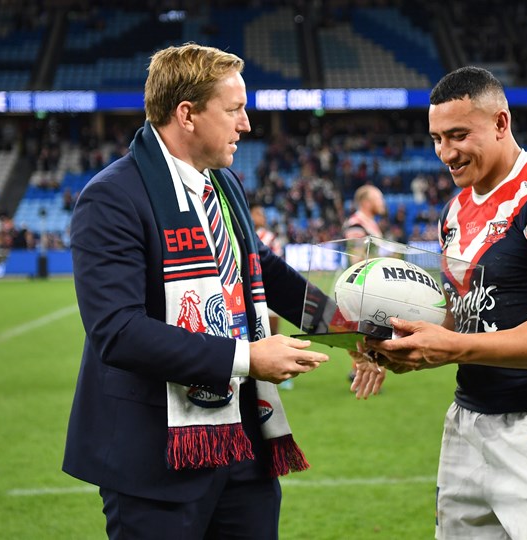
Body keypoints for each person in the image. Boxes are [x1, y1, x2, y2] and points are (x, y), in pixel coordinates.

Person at [63, 44, 332, 540]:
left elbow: (263, 268)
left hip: (242, 446)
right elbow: (118, 333)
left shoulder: (223, 183)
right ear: (186, 114)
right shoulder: (111, 198)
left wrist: (344, 326)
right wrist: (248, 358)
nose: (246, 124)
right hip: (155, 459)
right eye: (233, 110)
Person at [365, 66, 527, 539]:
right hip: (469, 421)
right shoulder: (455, 209)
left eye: (458, 135)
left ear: (501, 123)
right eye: (437, 138)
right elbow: (469, 318)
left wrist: (454, 347)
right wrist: (400, 342)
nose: (445, 153)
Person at [342, 184, 386, 383]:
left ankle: (361, 370)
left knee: (370, 329)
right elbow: (356, 260)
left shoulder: (370, 223)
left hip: (372, 284)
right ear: (367, 202)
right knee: (366, 330)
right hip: (362, 285)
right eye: (379, 198)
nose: (382, 203)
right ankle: (361, 370)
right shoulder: (357, 224)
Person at [250, 202, 293, 390]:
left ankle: (281, 368)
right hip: (251, 292)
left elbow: (277, 263)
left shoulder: (270, 237)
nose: (263, 217)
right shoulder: (243, 232)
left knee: (273, 328)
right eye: (259, 212)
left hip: (269, 291)